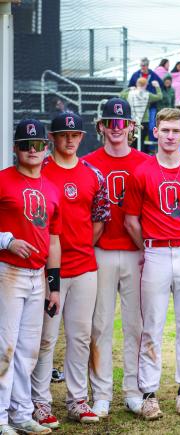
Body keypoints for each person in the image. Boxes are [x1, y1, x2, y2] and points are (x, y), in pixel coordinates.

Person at [123, 108, 180, 420]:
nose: (171, 136)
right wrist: (146, 247)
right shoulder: (142, 172)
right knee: (152, 325)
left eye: (176, 130)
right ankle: (148, 392)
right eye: (165, 130)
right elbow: (131, 220)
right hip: (155, 252)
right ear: (155, 132)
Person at [31, 112, 110, 427]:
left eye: (74, 134)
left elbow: (100, 217)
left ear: (81, 137)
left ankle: (77, 400)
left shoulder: (93, 174)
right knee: (46, 338)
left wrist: (79, 248)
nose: (68, 139)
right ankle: (39, 402)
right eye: (62, 134)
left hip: (84, 268)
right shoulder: (40, 171)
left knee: (79, 336)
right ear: (51, 137)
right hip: (47, 271)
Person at [84, 98, 150, 418]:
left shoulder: (144, 162)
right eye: (110, 122)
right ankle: (101, 393)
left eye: (122, 123)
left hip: (135, 251)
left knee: (136, 325)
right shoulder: (87, 163)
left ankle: (134, 390)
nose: (116, 128)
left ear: (131, 127)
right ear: (101, 126)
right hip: (101, 251)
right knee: (100, 325)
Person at [0, 119, 61, 435]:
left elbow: (52, 239)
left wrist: (54, 286)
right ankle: (0, 417)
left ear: (46, 149)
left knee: (28, 350)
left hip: (37, 275)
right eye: (26, 144)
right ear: (15, 148)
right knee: (4, 346)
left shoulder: (50, 188)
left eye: (38, 144)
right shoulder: (2, 181)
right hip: (7, 271)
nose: (32, 150)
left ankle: (22, 413)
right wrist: (6, 240)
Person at [121, 78, 162, 147]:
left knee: (132, 142)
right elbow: (159, 96)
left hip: (133, 121)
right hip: (144, 121)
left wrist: (129, 89)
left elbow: (121, 95)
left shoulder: (129, 94)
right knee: (141, 142)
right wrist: (157, 86)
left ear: (137, 84)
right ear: (145, 85)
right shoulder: (148, 95)